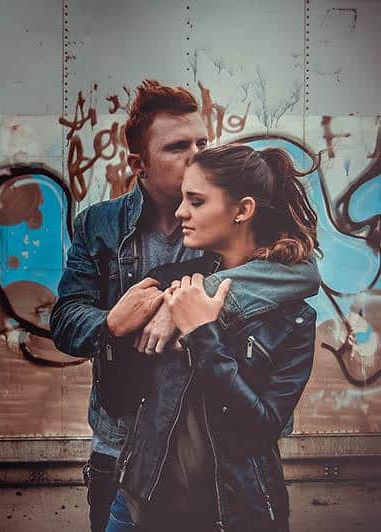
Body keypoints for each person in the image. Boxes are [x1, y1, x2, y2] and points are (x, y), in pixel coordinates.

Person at [49, 79, 321, 532]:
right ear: (139, 164)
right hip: (124, 454)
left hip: (215, 467)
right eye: (178, 147)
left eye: (201, 142)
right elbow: (65, 321)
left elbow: (299, 272)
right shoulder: (101, 225)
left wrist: (184, 307)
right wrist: (112, 322)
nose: (196, 155)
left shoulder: (221, 224)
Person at [107, 144, 320, 531]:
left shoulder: (293, 321)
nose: (180, 212)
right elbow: (117, 398)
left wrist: (202, 335)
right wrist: (114, 331)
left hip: (238, 513)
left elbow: (261, 428)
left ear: (242, 210)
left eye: (197, 201)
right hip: (140, 507)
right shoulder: (172, 283)